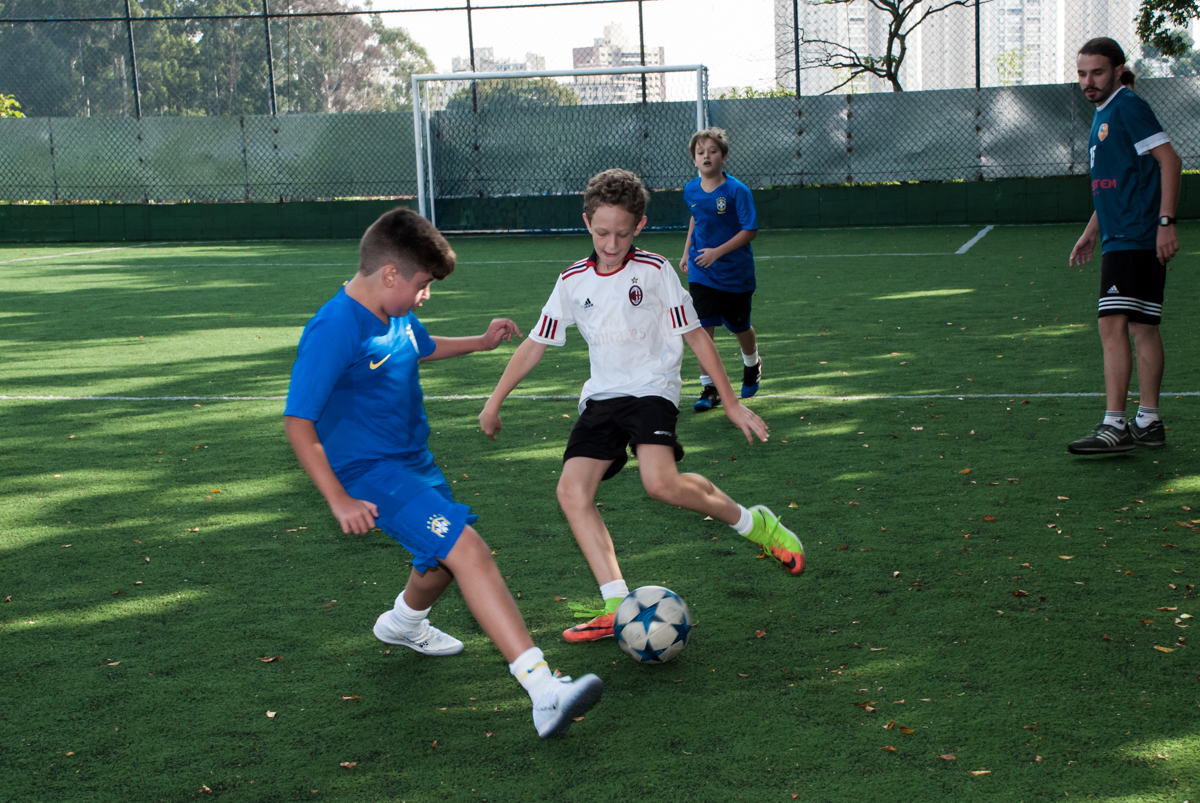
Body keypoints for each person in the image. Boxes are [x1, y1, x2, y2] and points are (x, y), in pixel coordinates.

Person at [283, 207, 601, 738]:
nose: (426, 293)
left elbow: (420, 347)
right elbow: (298, 423)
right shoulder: (335, 328)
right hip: (368, 474)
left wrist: (479, 342)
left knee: (441, 559)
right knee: (468, 548)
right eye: (424, 283)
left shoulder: (396, 312)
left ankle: (403, 623)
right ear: (390, 273)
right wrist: (339, 499)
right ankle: (544, 691)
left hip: (413, 461)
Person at [479, 169, 805, 645]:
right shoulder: (571, 280)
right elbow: (536, 342)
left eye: (623, 233)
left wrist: (731, 402)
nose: (612, 244)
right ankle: (615, 603)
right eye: (602, 232)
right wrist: (494, 401)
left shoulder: (654, 273)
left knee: (660, 484)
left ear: (640, 226)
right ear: (586, 222)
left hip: (652, 389)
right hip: (602, 396)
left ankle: (754, 522)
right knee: (572, 492)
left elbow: (695, 335)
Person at [1068, 37, 1181, 455]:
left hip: (1135, 236)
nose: (1088, 81)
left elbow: (1170, 160)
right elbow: (1117, 182)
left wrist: (1165, 222)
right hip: (1121, 236)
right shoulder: (1103, 113)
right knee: (1142, 326)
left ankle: (1114, 425)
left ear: (1117, 70)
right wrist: (1091, 230)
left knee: (1111, 324)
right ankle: (1148, 422)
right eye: (1081, 73)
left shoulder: (1127, 107)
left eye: (1096, 72)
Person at [679, 127, 762, 412]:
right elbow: (696, 218)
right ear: (694, 159)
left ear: (723, 157)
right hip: (703, 270)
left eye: (712, 151)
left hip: (735, 273)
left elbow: (750, 230)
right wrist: (687, 252)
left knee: (739, 327)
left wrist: (718, 252)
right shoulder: (690, 189)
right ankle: (709, 387)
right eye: (700, 152)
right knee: (703, 327)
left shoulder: (738, 191)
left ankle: (752, 363)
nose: (706, 156)